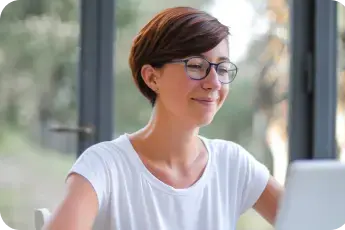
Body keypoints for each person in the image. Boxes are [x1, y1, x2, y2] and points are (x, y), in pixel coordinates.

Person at [44, 6, 283, 230]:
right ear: (152, 78)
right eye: (197, 66)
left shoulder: (233, 164)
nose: (214, 83)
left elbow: (309, 220)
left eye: (221, 69)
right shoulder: (105, 165)